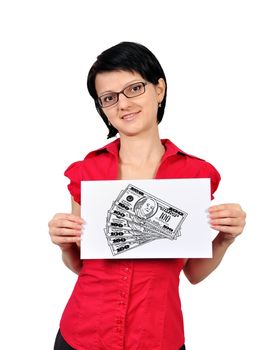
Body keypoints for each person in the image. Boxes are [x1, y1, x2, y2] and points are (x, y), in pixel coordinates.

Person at [48, 41, 246, 350]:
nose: (123, 104)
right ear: (102, 108)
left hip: (156, 337)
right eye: (109, 98)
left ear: (159, 89)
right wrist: (64, 244)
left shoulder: (196, 175)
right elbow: (81, 265)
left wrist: (225, 239)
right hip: (83, 335)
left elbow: (192, 273)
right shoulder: (87, 172)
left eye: (134, 88)